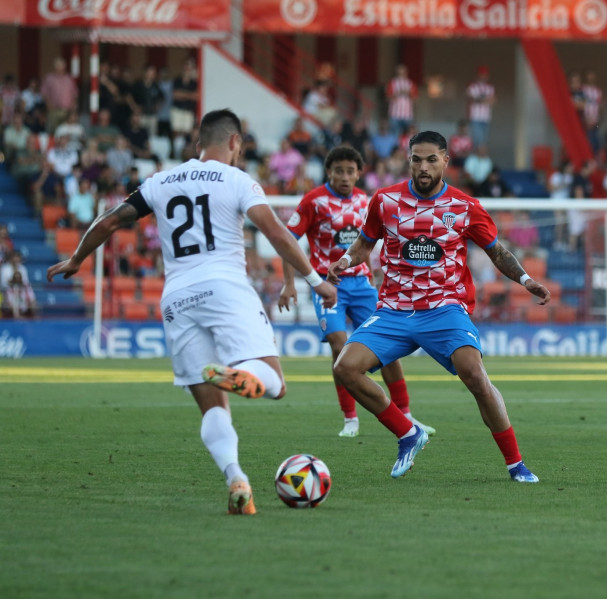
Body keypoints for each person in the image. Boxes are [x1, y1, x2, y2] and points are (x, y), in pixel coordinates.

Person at [47, 109, 337, 515]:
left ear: (198, 144)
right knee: (274, 382)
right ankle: (246, 375)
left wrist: (78, 258)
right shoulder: (238, 180)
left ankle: (237, 478)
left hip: (177, 298)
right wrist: (314, 281)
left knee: (212, 406)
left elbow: (111, 220)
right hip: (225, 287)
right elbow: (276, 232)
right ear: (235, 142)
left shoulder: (160, 181)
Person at [327, 130, 551, 482]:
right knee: (344, 369)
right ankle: (408, 433)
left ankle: (516, 464)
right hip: (394, 310)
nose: (423, 166)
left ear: (446, 160)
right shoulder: (384, 201)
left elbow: (498, 252)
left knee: (475, 375)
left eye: (432, 159)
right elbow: (363, 245)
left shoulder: (465, 206)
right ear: (409, 161)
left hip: (444, 308)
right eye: (417, 159)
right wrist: (344, 261)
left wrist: (525, 280)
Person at [278, 145, 435, 438]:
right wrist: (289, 282)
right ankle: (350, 418)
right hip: (329, 286)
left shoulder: (367, 201)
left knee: (388, 349)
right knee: (340, 346)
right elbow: (287, 240)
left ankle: (407, 415)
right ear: (329, 173)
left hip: (363, 285)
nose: (345, 177)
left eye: (350, 171)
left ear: (359, 173)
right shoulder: (314, 201)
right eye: (339, 171)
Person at [466, 66, 495, 147]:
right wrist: (485, 100)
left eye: (485, 75)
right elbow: (471, 99)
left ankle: (481, 158)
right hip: (475, 117)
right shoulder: (472, 86)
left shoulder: (490, 87)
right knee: (476, 139)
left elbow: (493, 101)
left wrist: (480, 99)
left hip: (486, 117)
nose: (483, 77)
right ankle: (475, 158)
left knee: (484, 141)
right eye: (481, 75)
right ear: (477, 75)